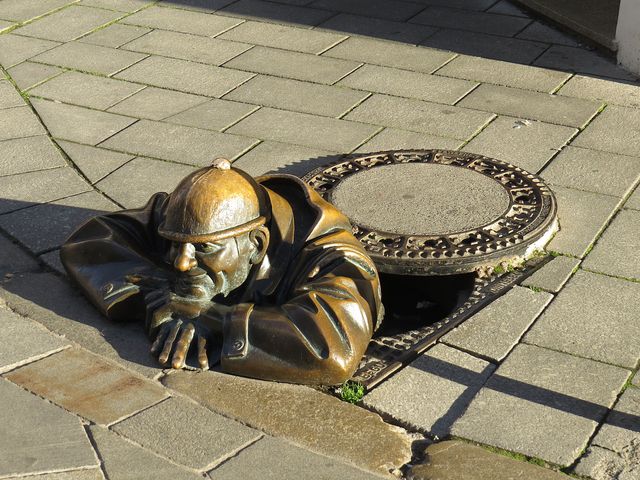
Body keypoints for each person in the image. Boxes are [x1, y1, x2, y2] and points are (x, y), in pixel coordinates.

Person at [61, 159, 383, 385]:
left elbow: (335, 349)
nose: (182, 262)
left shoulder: (334, 257)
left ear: (257, 244)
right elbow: (91, 240)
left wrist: (217, 319)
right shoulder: (184, 220)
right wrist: (157, 296)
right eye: (175, 245)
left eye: (203, 249)